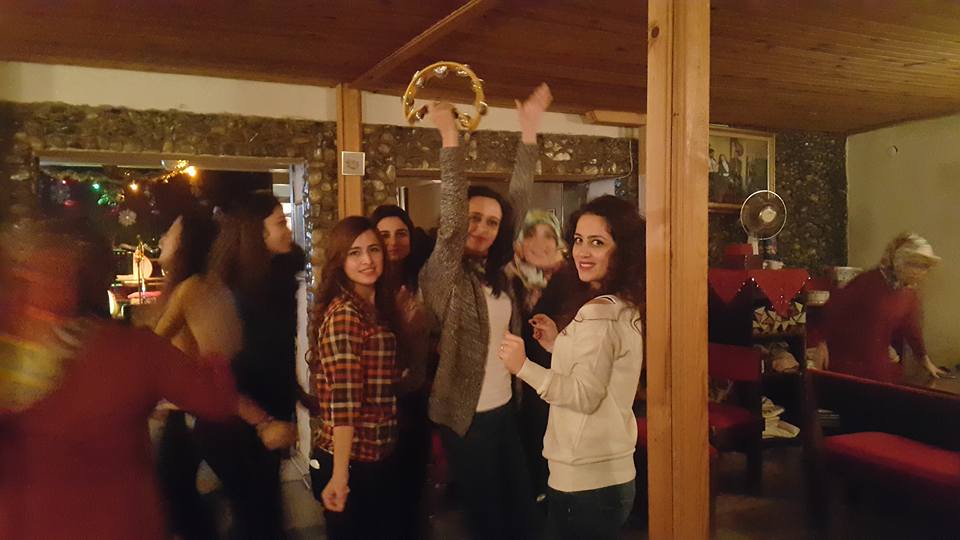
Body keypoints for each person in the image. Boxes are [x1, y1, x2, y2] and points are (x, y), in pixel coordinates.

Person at [0, 218, 239, 540]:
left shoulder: (12, 354)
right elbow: (216, 400)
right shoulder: (132, 350)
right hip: (122, 522)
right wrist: (217, 349)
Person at [418, 83, 551, 540]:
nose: (482, 227)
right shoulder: (442, 273)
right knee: (490, 522)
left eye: (491, 222)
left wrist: (529, 132)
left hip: (504, 410)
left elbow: (519, 201)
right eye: (474, 217)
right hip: (466, 419)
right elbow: (454, 224)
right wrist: (449, 139)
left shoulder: (498, 274)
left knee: (525, 516)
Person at [498, 195, 645, 540]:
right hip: (607, 472)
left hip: (585, 477)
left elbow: (583, 395)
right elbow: (600, 371)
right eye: (579, 240)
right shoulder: (621, 304)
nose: (583, 252)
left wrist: (522, 367)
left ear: (623, 250)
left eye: (598, 242)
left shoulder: (598, 313)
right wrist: (558, 343)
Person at [195, 192, 304, 540]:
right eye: (280, 223)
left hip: (265, 419)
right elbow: (214, 371)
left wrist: (300, 397)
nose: (288, 230)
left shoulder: (274, 284)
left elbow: (275, 355)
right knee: (257, 520)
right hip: (236, 426)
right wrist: (264, 422)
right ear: (256, 232)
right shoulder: (229, 292)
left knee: (263, 516)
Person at [309, 216, 401, 540]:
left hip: (373, 455)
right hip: (351, 459)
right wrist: (340, 475)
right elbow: (345, 403)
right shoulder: (346, 314)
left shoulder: (374, 307)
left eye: (373, 249)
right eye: (354, 252)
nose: (367, 260)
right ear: (340, 261)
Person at [370, 204, 434, 539]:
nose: (393, 242)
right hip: (379, 403)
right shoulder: (367, 284)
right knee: (384, 489)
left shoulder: (421, 279)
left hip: (416, 397)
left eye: (401, 234)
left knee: (414, 484)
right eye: (384, 235)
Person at [822, 233, 947, 383]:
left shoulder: (909, 293)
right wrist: (820, 343)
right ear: (898, 262)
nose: (919, 271)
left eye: (924, 267)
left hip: (879, 367)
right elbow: (833, 309)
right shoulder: (867, 282)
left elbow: (911, 328)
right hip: (849, 366)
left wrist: (925, 360)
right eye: (914, 264)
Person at [507, 210, 566, 506]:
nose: (540, 243)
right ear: (520, 242)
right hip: (516, 382)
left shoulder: (571, 279)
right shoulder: (509, 278)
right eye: (531, 234)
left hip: (559, 380)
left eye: (548, 236)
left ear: (559, 243)